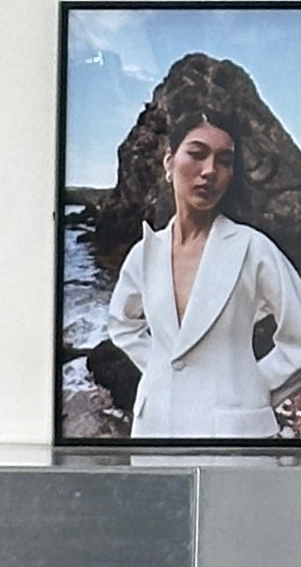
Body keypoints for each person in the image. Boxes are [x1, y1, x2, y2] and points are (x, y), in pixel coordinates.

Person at [105, 114, 301, 438]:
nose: (210, 170)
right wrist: (160, 368)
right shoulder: (145, 253)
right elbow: (122, 323)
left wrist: (252, 386)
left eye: (224, 161)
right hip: (155, 429)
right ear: (169, 161)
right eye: (197, 154)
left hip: (235, 437)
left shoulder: (252, 248)